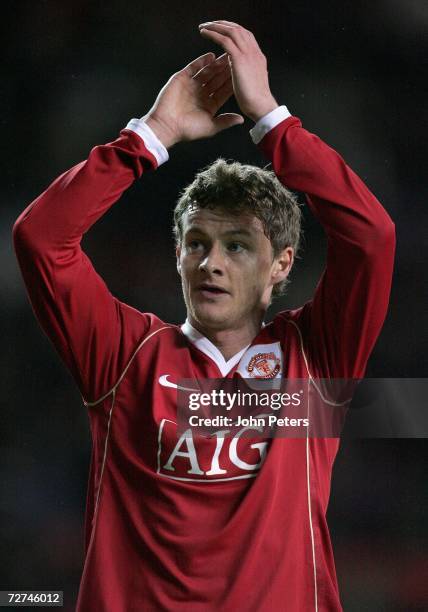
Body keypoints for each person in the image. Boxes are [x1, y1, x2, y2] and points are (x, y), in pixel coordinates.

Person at [13, 20, 395, 612]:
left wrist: (271, 120)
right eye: (197, 243)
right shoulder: (124, 355)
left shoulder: (314, 359)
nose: (211, 263)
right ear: (178, 254)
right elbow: (41, 239)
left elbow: (371, 237)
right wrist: (155, 133)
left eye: (238, 245)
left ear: (281, 264)